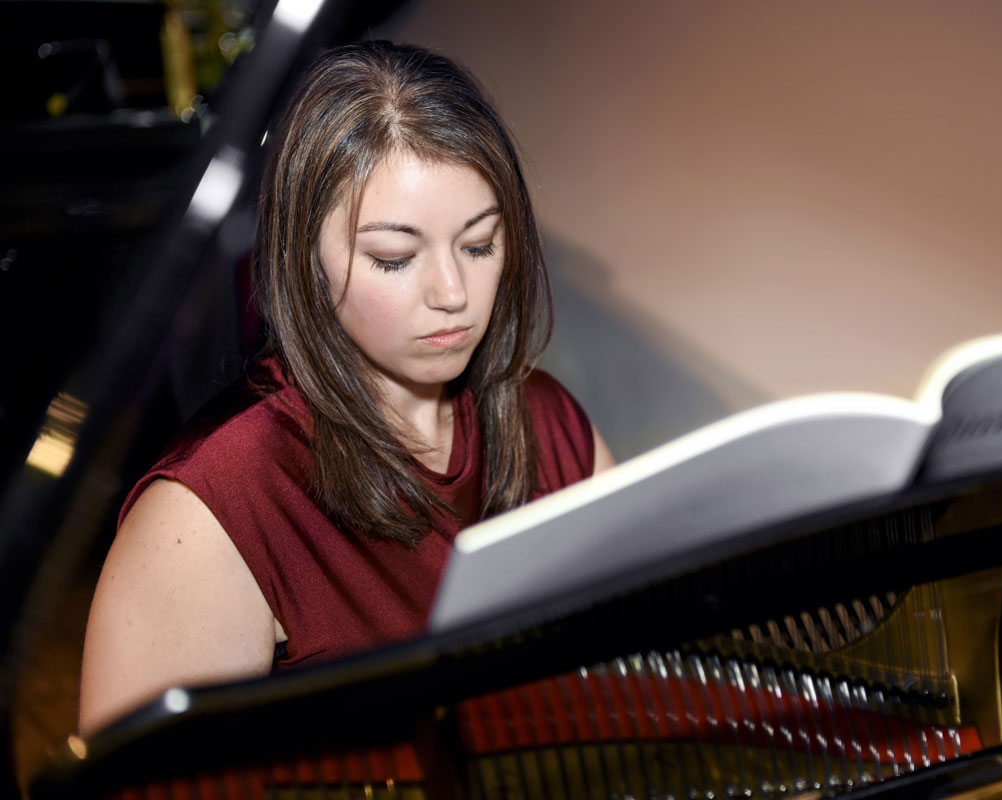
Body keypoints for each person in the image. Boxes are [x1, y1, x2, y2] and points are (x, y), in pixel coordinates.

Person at [78, 41, 614, 736]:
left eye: (480, 245)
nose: (453, 294)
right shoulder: (214, 508)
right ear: (305, 260)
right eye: (395, 259)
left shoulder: (551, 426)